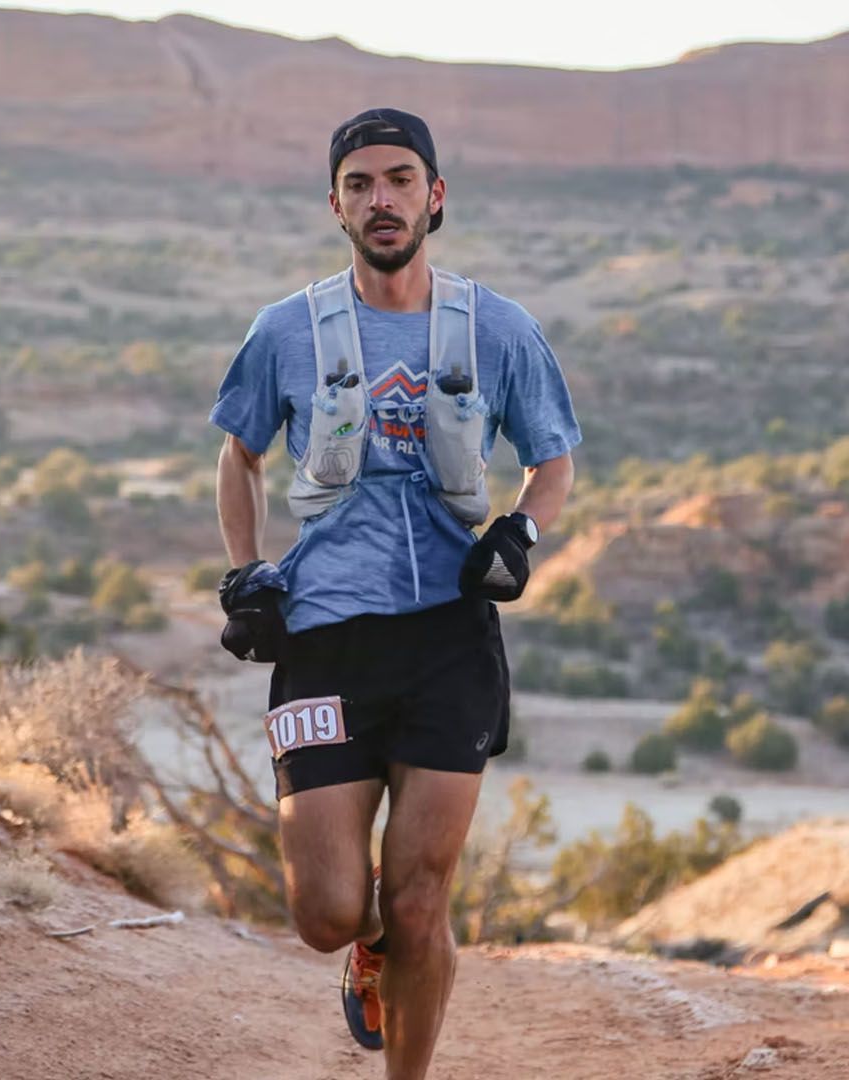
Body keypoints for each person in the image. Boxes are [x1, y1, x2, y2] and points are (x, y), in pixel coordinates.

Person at [209, 107, 580, 1080]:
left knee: (421, 899)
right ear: (335, 204)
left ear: (436, 196)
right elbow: (237, 455)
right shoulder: (286, 331)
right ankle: (364, 950)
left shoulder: (496, 328)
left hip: (450, 638)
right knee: (328, 910)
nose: (383, 199)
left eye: (401, 180)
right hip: (324, 635)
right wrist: (248, 572)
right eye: (362, 183)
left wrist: (521, 532)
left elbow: (554, 459)